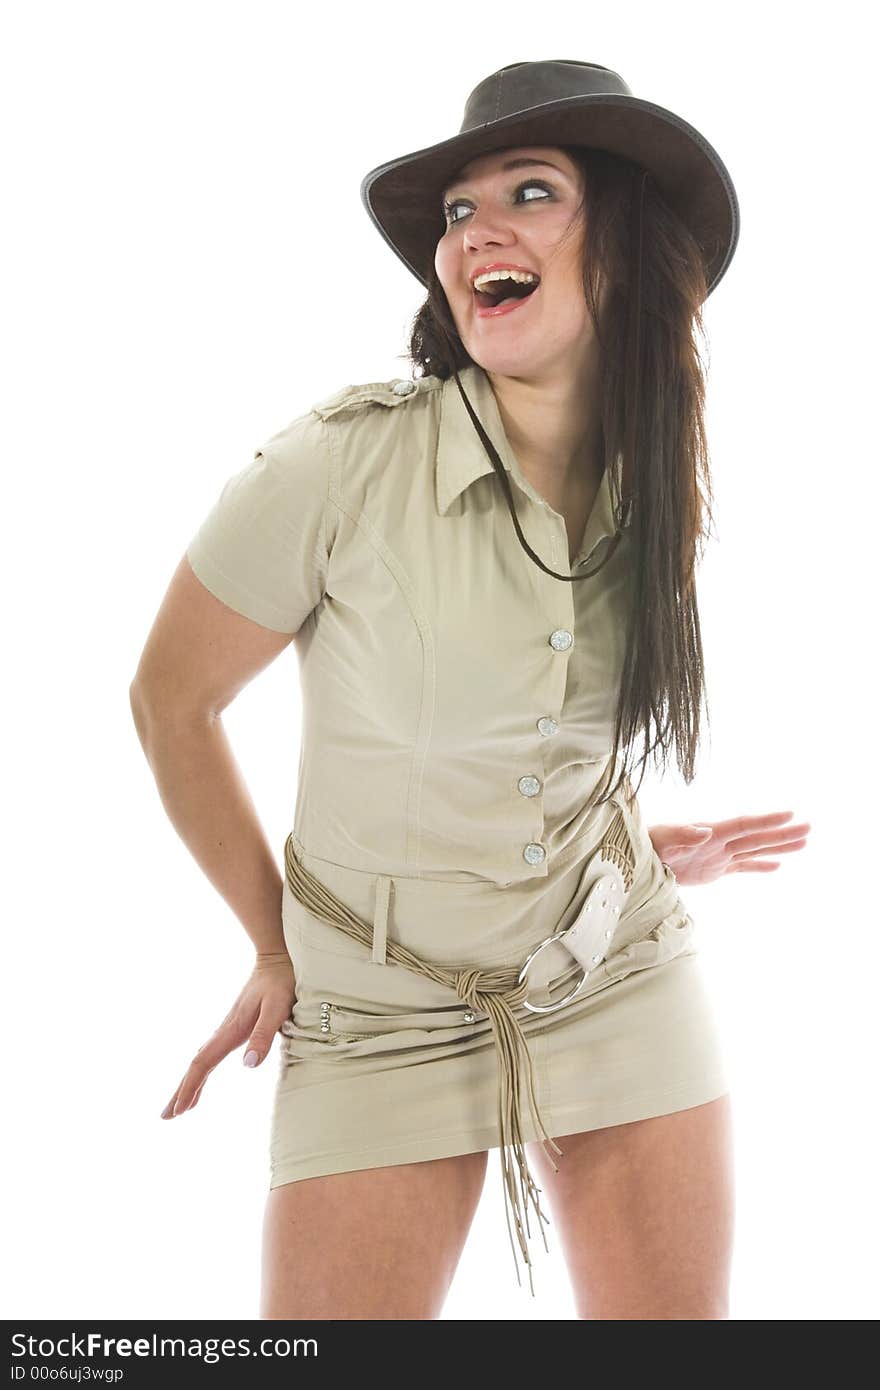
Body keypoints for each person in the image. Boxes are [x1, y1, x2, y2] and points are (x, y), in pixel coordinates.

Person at [129, 60, 810, 1320]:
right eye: (457, 212)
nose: (476, 234)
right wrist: (272, 938)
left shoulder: (654, 482)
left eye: (529, 193)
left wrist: (618, 841)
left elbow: (533, 726)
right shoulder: (340, 466)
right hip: (378, 1012)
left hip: (611, 967)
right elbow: (170, 703)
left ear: (626, 239)